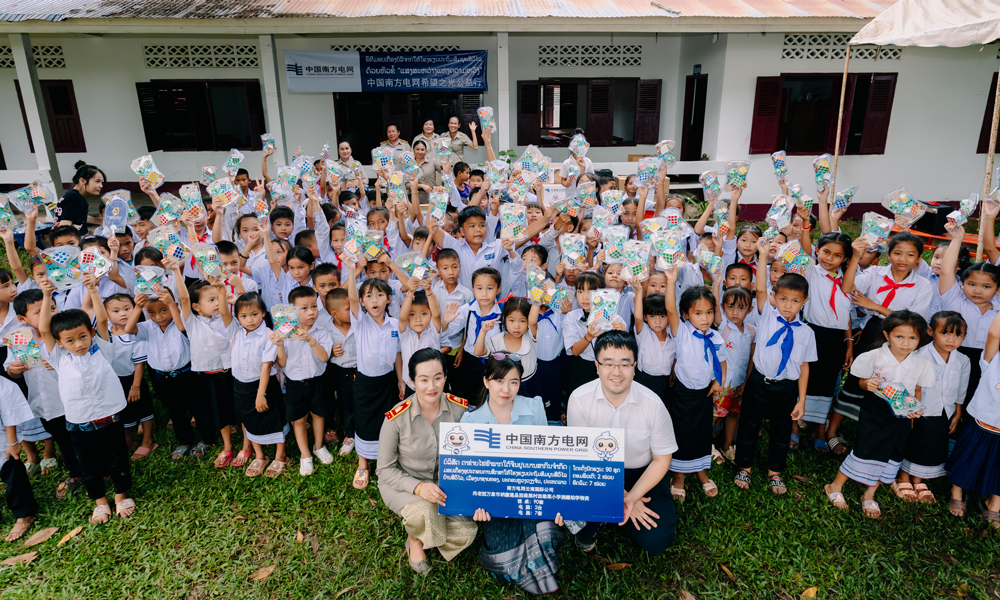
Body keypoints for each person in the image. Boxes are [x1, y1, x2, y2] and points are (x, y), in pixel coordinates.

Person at [567, 331, 678, 555]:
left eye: (624, 364)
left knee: (656, 540)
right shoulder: (579, 399)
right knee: (575, 520)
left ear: (634, 366)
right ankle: (602, 517)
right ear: (597, 366)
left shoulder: (653, 404)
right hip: (595, 472)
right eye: (608, 364)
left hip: (641, 472)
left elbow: (661, 460)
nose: (616, 372)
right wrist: (620, 494)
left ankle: (618, 510)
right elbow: (582, 458)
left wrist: (633, 496)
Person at [462, 352, 562, 595]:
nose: (506, 389)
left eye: (514, 382)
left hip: (532, 492)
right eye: (499, 380)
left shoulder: (535, 406)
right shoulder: (470, 421)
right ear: (486, 381)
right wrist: (476, 505)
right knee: (499, 552)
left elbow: (546, 460)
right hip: (495, 502)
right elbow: (468, 476)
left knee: (548, 534)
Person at [38, 275, 135, 524]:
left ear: (91, 332)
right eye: (69, 341)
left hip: (109, 415)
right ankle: (100, 501)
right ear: (59, 343)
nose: (78, 344)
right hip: (79, 421)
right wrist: (47, 295)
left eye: (82, 336)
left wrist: (92, 289)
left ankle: (121, 494)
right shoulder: (59, 357)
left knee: (117, 457)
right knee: (88, 465)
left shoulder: (102, 347)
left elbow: (101, 318)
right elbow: (43, 329)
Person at [824, 310, 935, 519]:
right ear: (887, 335)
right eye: (899, 336)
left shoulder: (921, 364)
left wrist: (914, 409)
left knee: (889, 452)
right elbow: (860, 382)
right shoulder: (873, 356)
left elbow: (917, 390)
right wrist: (867, 383)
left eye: (913, 338)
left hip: (902, 412)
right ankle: (835, 486)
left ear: (920, 340)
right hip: (876, 408)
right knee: (865, 448)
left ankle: (870, 493)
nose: (905, 343)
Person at [377, 348, 476, 572]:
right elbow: (384, 470)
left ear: (445, 378)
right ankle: (415, 539)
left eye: (438, 378)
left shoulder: (460, 410)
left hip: (445, 485)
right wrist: (419, 487)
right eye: (423, 380)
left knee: (467, 533)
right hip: (403, 484)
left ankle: (429, 530)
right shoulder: (396, 418)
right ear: (411, 381)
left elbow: (470, 456)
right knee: (424, 511)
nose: (431, 387)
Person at [735, 245, 816, 494]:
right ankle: (744, 467)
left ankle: (775, 471)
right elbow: (759, 287)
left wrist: (801, 399)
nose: (788, 305)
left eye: (794, 301)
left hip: (786, 388)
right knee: (749, 425)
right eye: (782, 299)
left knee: (781, 430)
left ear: (804, 302)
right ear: (774, 297)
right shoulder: (767, 314)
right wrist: (761, 256)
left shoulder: (807, 332)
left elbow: (804, 366)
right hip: (759, 382)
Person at [664, 270, 727, 500]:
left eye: (709, 312)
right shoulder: (681, 332)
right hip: (682, 392)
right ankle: (678, 474)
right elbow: (670, 309)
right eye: (698, 313)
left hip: (704, 392)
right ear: (685, 314)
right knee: (682, 431)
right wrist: (671, 281)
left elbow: (721, 361)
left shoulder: (715, 336)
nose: (705, 318)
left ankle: (700, 470)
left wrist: (718, 382)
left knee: (702, 431)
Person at [895, 311, 969, 505]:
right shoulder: (919, 355)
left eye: (957, 335)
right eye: (945, 333)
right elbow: (909, 383)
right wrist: (909, 408)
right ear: (931, 331)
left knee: (932, 444)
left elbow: (962, 388)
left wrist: (958, 411)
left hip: (945, 410)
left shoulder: (963, 360)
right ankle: (903, 477)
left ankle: (918, 480)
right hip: (920, 409)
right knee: (915, 441)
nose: (951, 339)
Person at [344, 255, 402, 490]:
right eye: (368, 296)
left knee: (387, 423)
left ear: (388, 299)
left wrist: (400, 380)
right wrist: (351, 271)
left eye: (379, 295)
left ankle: (386, 462)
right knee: (365, 421)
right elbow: (350, 297)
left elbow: (398, 355)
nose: (374, 299)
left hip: (387, 382)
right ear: (362, 302)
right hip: (365, 382)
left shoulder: (396, 325)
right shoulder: (360, 322)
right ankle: (362, 463)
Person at [271, 286, 334, 476]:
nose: (310, 312)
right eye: (304, 308)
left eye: (313, 306)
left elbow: (324, 358)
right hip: (295, 383)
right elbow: (282, 362)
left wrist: (311, 340)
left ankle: (318, 446)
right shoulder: (284, 333)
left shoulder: (321, 331)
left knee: (318, 414)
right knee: (298, 420)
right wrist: (280, 346)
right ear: (291, 310)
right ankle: (305, 455)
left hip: (317, 380)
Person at [947, 309, 1000, 528]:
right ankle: (956, 490)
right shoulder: (992, 361)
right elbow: (994, 335)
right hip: (981, 422)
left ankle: (994, 503)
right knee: (967, 458)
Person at [230, 292, 287, 478]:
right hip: (241, 384)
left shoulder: (269, 335)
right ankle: (260, 455)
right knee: (249, 419)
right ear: (237, 317)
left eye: (254, 314)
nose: (249, 320)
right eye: (243, 316)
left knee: (273, 418)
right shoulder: (237, 332)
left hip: (264, 385)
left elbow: (266, 365)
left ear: (263, 312)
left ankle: (280, 455)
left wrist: (261, 393)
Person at [0, 374, 41, 541]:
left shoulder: (3, 385)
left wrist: (12, 442)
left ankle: (24, 514)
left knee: (12, 470)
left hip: (2, 439)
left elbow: (8, 408)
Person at [55, 161, 105, 233]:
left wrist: (101, 221)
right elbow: (64, 228)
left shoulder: (72, 195)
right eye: (97, 181)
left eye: (101, 182)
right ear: (82, 181)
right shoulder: (75, 198)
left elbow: (75, 216)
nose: (101, 186)